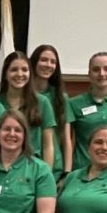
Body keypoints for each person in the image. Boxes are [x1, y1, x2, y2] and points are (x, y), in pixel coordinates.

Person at [0, 51, 55, 171]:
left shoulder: (42, 102)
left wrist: (47, 174)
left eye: (24, 70)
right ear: (5, 74)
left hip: (33, 168)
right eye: (14, 70)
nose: (20, 74)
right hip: (2, 167)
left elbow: (48, 144)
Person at [29, 44, 74, 178]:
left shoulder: (61, 98)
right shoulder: (23, 95)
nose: (48, 65)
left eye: (53, 62)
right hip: (28, 162)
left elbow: (66, 139)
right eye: (43, 60)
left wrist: (67, 172)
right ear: (34, 62)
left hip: (55, 166)